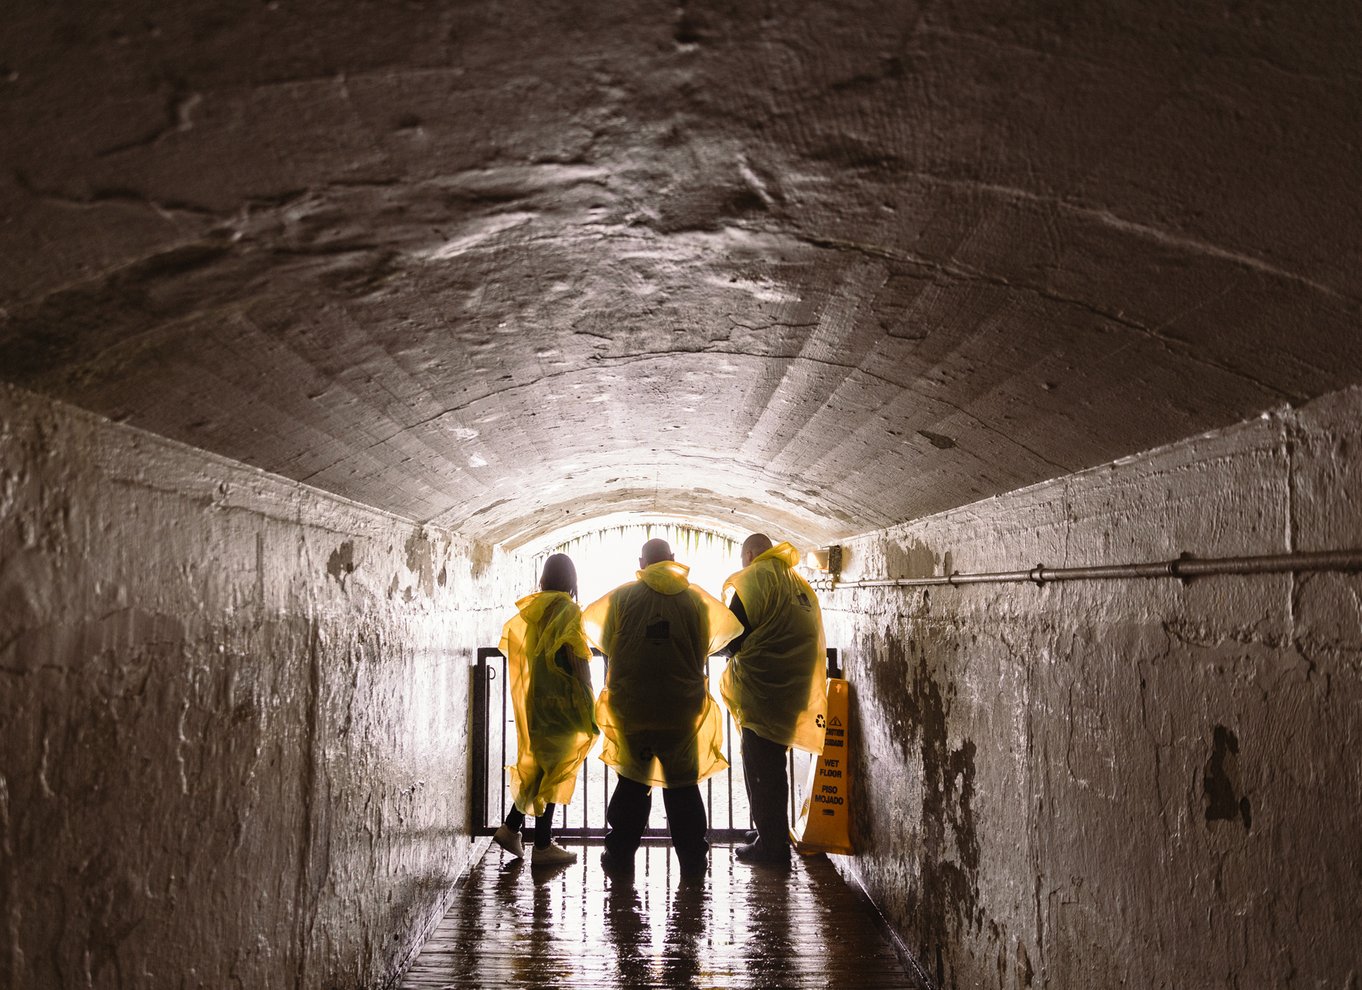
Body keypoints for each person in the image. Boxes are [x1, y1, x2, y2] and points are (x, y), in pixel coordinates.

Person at [582, 538, 743, 879]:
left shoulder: (622, 598)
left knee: (632, 784)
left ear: (641, 562)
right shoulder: (695, 601)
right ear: (673, 559)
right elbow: (704, 646)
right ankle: (693, 862)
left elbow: (609, 643)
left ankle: (620, 855)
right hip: (681, 709)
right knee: (682, 787)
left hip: (633, 708)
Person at [719, 534, 828, 865]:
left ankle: (772, 847)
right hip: (793, 690)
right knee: (772, 763)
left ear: (750, 554)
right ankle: (770, 831)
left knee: (760, 766)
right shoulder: (797, 582)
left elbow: (731, 637)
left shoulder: (753, 581)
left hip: (762, 690)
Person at [493, 553, 599, 866]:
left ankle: (514, 829)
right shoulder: (567, 609)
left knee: (542, 766)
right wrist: (587, 692)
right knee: (555, 768)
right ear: (571, 580)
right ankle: (540, 845)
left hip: (537, 698)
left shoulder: (534, 609)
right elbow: (575, 653)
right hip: (562, 699)